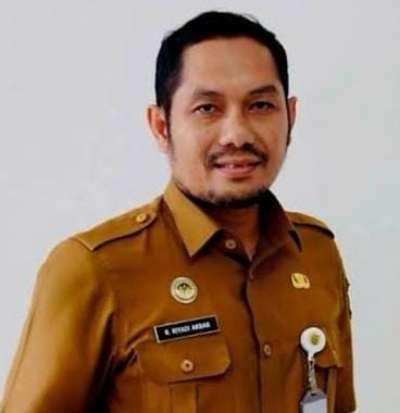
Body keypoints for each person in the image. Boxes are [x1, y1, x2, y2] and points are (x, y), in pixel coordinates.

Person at [1, 10, 356, 413]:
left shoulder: (316, 254)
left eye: (260, 105)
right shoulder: (94, 269)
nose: (237, 134)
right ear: (161, 125)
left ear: (290, 117)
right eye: (207, 108)